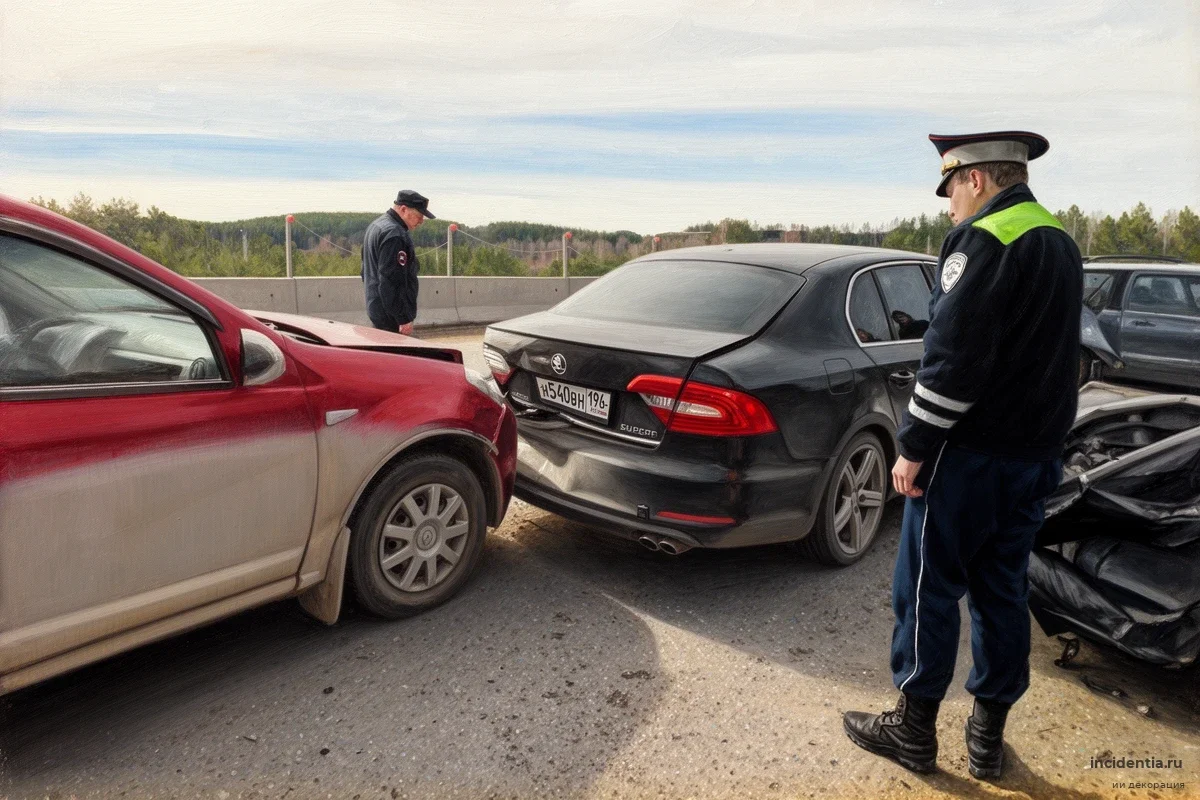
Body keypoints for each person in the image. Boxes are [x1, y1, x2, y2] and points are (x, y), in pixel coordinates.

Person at [842, 131, 1082, 779]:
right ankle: (986, 738)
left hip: (969, 455)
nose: (948, 204)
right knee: (1002, 589)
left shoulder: (982, 239)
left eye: (949, 188)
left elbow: (952, 358)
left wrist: (915, 446)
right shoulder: (1058, 240)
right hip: (1034, 457)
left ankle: (913, 731)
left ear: (975, 179)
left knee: (926, 587)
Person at [362, 190, 435, 335]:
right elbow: (391, 281)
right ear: (403, 209)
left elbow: (365, 271)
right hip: (391, 318)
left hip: (377, 310)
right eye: (419, 215)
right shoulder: (395, 235)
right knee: (401, 357)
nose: (421, 221)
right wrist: (402, 318)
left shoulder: (376, 226)